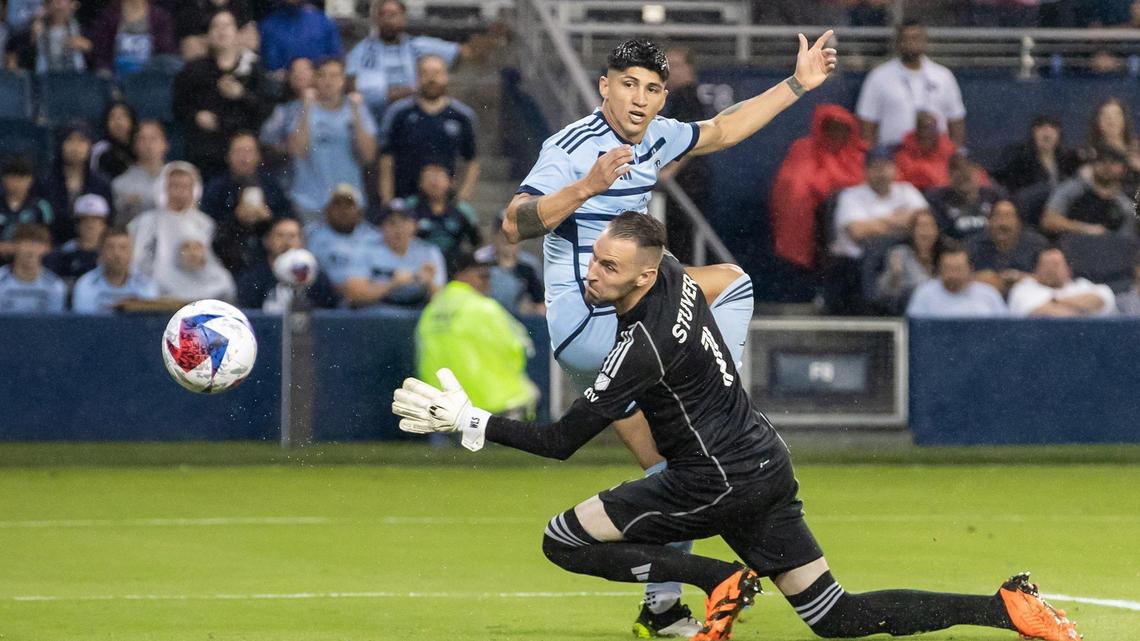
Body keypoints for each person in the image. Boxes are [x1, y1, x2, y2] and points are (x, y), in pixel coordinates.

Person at [392, 212, 1081, 641]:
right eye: (595, 258)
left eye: (606, 267)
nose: (592, 275)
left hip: (712, 475)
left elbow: (561, 440)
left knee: (563, 538)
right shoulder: (675, 278)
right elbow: (702, 271)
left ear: (640, 275)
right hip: (762, 461)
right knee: (832, 614)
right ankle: (1005, 607)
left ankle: (716, 580)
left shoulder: (641, 347)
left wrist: (471, 420)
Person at [501, 36, 836, 637]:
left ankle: (662, 607)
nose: (640, 98)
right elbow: (512, 223)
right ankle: (719, 406)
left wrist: (797, 85)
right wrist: (586, 188)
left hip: (613, 329)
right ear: (604, 86)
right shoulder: (572, 148)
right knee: (731, 283)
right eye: (628, 84)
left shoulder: (655, 135)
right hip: (588, 323)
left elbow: (724, 129)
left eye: (652, 89)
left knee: (673, 466)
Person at [415, 249, 538, 422]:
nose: (488, 282)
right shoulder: (486, 308)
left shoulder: (431, 310)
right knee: (530, 393)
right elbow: (519, 350)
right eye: (482, 276)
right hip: (491, 404)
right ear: (461, 275)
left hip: (442, 409)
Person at [346, 0, 503, 120]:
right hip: (374, 120)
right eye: (383, 14)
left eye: (393, 14)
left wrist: (493, 36)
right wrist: (393, 94)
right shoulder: (361, 51)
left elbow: (466, 52)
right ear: (376, 19)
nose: (388, 19)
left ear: (403, 17)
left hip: (414, 118)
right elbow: (350, 87)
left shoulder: (417, 46)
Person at [171, 10, 272, 179]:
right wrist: (196, 115)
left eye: (227, 25)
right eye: (215, 26)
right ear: (208, 35)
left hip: (244, 153)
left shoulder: (255, 70)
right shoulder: (193, 70)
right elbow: (178, 107)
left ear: (238, 33)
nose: (221, 31)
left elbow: (265, 109)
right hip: (206, 153)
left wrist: (242, 94)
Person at [770, 102, 866, 270]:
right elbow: (796, 185)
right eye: (831, 128)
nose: (836, 134)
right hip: (818, 224)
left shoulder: (857, 153)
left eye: (841, 129)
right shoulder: (804, 148)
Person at [378, 54, 479, 203]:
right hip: (404, 201)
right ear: (417, 77)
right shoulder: (399, 113)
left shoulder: (462, 116)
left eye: (437, 73)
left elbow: (471, 160)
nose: (432, 79)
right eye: (425, 73)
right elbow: (386, 159)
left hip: (443, 205)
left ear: (446, 77)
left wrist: (462, 197)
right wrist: (387, 201)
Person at [288, 57, 377, 224]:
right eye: (322, 75)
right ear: (314, 79)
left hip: (349, 201)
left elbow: (368, 156)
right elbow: (297, 151)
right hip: (310, 202)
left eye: (334, 76)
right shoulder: (300, 109)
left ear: (343, 80)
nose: (328, 81)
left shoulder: (358, 109)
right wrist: (306, 108)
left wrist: (356, 113)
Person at [855, 20, 966, 148]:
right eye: (906, 38)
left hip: (936, 155)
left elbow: (956, 120)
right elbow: (867, 122)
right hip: (894, 153)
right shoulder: (879, 76)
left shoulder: (943, 76)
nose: (911, 43)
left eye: (916, 38)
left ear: (925, 41)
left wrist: (957, 153)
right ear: (898, 42)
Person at [201, 132, 292, 275]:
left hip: (266, 258)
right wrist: (235, 219)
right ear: (228, 156)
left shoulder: (271, 185)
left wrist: (270, 218)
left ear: (258, 156)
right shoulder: (217, 187)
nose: (245, 158)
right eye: (239, 152)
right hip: (226, 259)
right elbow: (206, 226)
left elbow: (289, 218)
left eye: (249, 151)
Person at [657, 47, 714, 264]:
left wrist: (670, 171)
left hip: (690, 183)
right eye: (666, 66)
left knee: (684, 243)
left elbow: (694, 138)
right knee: (678, 241)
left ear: (690, 68)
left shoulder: (688, 96)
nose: (669, 71)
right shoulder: (678, 98)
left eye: (675, 65)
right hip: (685, 182)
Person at [127, 162, 216, 291]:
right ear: (163, 188)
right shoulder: (146, 221)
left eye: (186, 187)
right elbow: (137, 261)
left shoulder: (205, 223)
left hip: (199, 287)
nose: (181, 192)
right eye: (175, 186)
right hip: (156, 289)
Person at [341, 201, 445, 308]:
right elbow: (353, 294)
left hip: (415, 313)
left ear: (415, 225)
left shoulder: (429, 252)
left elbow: (441, 301)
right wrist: (392, 284)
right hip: (376, 316)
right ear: (381, 227)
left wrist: (428, 284)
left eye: (404, 222)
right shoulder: (365, 250)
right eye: (392, 223)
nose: (398, 229)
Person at [235, 216, 338, 311]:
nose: (286, 242)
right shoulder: (254, 277)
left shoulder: (313, 273)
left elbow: (329, 311)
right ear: (268, 241)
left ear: (302, 242)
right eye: (280, 235)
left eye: (292, 236)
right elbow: (249, 313)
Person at [38, 122, 113, 244]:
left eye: (81, 141)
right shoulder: (45, 181)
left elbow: (107, 219)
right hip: (52, 243)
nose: (75, 147)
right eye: (70, 140)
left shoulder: (101, 183)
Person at [1040, 144, 1135, 237]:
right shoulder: (1073, 188)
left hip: (1107, 250)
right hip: (1068, 246)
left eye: (1114, 163)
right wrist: (1084, 229)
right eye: (1101, 161)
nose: (1107, 167)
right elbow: (1048, 221)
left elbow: (1126, 241)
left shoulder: (1125, 204)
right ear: (1093, 165)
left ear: (1123, 169)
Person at [304, 183, 382, 288]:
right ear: (327, 210)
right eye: (337, 204)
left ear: (359, 211)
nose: (343, 210)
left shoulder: (376, 237)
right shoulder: (312, 237)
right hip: (327, 299)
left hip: (372, 299)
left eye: (349, 205)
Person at [967, 199, 1049, 297]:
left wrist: (1023, 279)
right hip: (983, 299)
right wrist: (982, 279)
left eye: (1008, 217)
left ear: (1019, 223)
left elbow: (1053, 279)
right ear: (989, 221)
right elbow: (958, 277)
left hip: (1027, 298)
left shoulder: (1037, 244)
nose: (1002, 223)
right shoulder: (973, 245)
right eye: (997, 216)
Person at [408, 163, 481, 271]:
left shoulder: (462, 210)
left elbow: (477, 241)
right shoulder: (409, 207)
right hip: (417, 265)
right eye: (429, 176)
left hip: (453, 266)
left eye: (439, 176)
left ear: (450, 182)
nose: (434, 181)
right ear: (420, 182)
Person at [71, 226, 159, 313]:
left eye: (123, 247)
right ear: (100, 252)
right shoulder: (85, 284)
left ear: (131, 252)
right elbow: (84, 323)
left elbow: (150, 323)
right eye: (110, 247)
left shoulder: (146, 286)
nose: (117, 254)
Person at [905, 242, 1007, 317]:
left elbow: (1004, 329)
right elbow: (914, 331)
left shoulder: (989, 294)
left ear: (970, 269)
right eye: (948, 269)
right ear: (939, 270)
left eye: (958, 269)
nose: (953, 274)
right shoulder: (924, 294)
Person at [1008, 247, 1116, 317]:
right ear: (1036, 270)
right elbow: (1038, 312)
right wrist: (1082, 312)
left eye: (1056, 264)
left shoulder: (1082, 285)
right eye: (1045, 265)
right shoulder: (1024, 288)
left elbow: (1101, 299)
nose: (1051, 270)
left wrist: (1055, 301)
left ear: (1068, 270)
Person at [872, 209, 942, 314]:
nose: (925, 231)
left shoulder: (945, 256)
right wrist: (895, 275)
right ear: (912, 231)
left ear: (937, 231)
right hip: (908, 311)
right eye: (920, 226)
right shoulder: (900, 254)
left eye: (930, 226)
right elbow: (884, 293)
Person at [991, 115, 1080, 196]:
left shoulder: (1068, 162)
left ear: (1059, 135)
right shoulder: (1020, 160)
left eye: (1052, 128)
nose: (1047, 132)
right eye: (1041, 128)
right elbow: (999, 180)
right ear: (1033, 133)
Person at [87, 0, 176, 77]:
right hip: (115, 77)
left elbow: (165, 52)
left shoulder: (160, 17)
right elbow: (101, 53)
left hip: (150, 78)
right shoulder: (109, 16)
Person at [925, 153, 1004, 240]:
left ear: (979, 171)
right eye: (957, 169)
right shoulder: (937, 200)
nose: (963, 173)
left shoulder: (995, 197)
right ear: (949, 174)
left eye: (969, 168)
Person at [476, 216, 544, 315]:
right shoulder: (481, 262)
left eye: (513, 234)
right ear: (494, 236)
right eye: (503, 234)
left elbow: (539, 304)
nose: (507, 239)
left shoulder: (529, 266)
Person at [111, 120, 169, 226]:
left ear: (165, 144)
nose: (148, 145)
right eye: (142, 139)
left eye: (153, 138)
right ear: (134, 145)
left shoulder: (179, 178)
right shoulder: (120, 183)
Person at [258, 0, 341, 73]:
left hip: (320, 85)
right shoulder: (269, 26)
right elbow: (270, 67)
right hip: (283, 87)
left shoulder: (324, 22)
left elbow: (336, 61)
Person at [7, 0, 91, 73]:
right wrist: (33, 39)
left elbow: (96, 60)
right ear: (47, 6)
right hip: (45, 81)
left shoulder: (80, 28)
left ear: (72, 5)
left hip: (76, 80)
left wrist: (88, 47)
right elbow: (21, 57)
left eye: (62, 1)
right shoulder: (36, 28)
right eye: (52, 1)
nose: (58, 5)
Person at [0, 222, 65, 313]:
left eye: (37, 244)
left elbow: (55, 323)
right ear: (13, 246)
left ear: (47, 248)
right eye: (25, 243)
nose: (31, 250)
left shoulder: (54, 285)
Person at [158, 229, 236, 302]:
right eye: (186, 247)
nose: (192, 252)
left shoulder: (220, 277)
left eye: (197, 247)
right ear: (177, 251)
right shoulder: (165, 278)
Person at [45, 193, 109, 282]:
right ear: (76, 224)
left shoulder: (110, 253)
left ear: (104, 224)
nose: (90, 225)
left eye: (95, 220)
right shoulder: (64, 253)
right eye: (84, 220)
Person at [0, 155, 54, 261]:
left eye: (21, 178)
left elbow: (49, 240)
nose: (16, 183)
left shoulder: (41, 207)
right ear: (4, 179)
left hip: (32, 260)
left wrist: (23, 249)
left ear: (30, 180)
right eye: (13, 178)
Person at [893, 111, 957, 191]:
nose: (926, 133)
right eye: (922, 128)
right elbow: (900, 186)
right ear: (916, 130)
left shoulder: (950, 152)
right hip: (918, 197)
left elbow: (965, 174)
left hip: (948, 196)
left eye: (931, 128)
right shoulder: (903, 157)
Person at [173, 0, 256, 61]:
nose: (222, 31)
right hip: (202, 67)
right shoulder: (190, 5)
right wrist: (231, 41)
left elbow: (252, 42)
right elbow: (191, 49)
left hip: (238, 64)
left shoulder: (241, 3)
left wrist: (211, 42)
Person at [90, 102, 137, 182]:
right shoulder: (99, 150)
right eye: (112, 117)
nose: (118, 122)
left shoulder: (140, 146)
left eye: (123, 116)